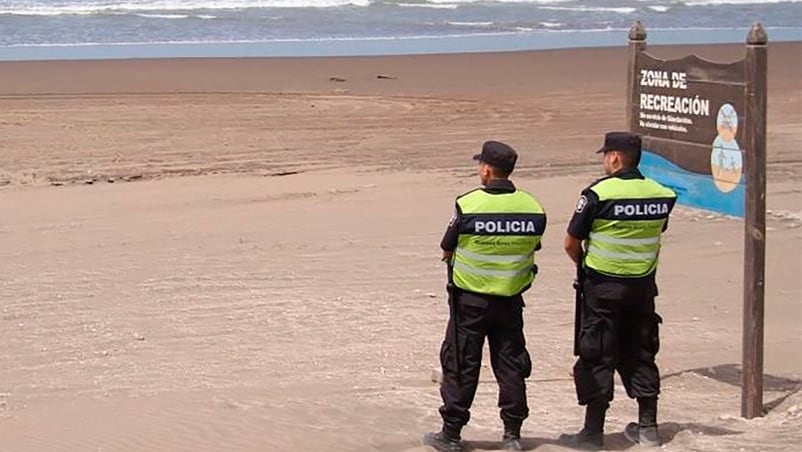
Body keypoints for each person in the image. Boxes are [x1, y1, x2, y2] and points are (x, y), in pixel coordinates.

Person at [423, 140, 547, 452]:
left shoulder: (469, 204)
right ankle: (512, 435)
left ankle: (451, 433)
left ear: (486, 169)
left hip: (470, 302)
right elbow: (532, 247)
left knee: (461, 363)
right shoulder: (533, 208)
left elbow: (446, 247)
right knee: (511, 365)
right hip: (510, 300)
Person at [559, 131, 676, 450]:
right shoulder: (662, 194)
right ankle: (648, 427)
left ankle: (592, 432)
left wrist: (584, 267)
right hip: (642, 287)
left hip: (602, 287)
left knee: (598, 352)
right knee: (641, 350)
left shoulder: (598, 193)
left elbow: (571, 242)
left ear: (614, 158)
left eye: (605, 155)